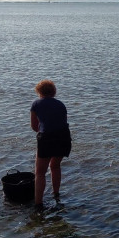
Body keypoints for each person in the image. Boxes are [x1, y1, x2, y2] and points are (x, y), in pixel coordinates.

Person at [30, 79, 72, 209]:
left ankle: (38, 204)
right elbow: (63, 122)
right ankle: (56, 194)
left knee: (40, 172)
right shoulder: (61, 104)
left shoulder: (36, 104)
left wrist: (42, 132)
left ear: (39, 92)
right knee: (55, 166)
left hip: (47, 138)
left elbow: (34, 126)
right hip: (64, 137)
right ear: (53, 92)